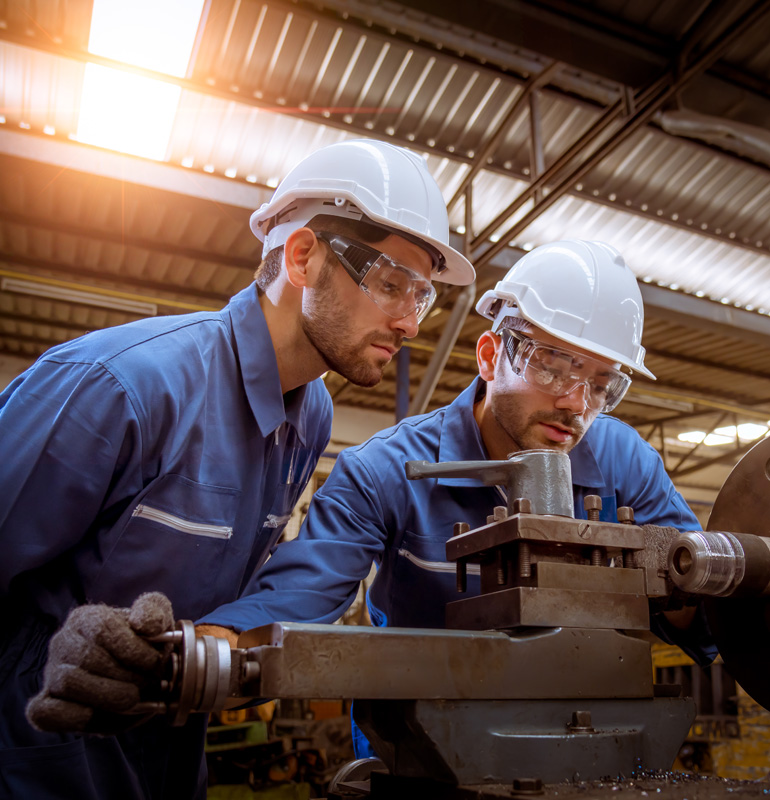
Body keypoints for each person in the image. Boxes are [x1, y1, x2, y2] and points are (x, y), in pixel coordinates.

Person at [0, 138, 475, 799]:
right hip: (38, 755)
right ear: (302, 256)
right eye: (391, 283)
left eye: (421, 296)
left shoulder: (309, 416)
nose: (409, 323)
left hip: (166, 753)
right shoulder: (120, 388)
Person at [190, 239, 718, 756]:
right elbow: (300, 599)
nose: (575, 404)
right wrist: (204, 650)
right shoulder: (386, 471)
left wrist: (680, 587)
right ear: (490, 355)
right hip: (423, 744)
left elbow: (709, 614)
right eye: (553, 367)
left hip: (587, 737)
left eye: (601, 384)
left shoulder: (627, 462)